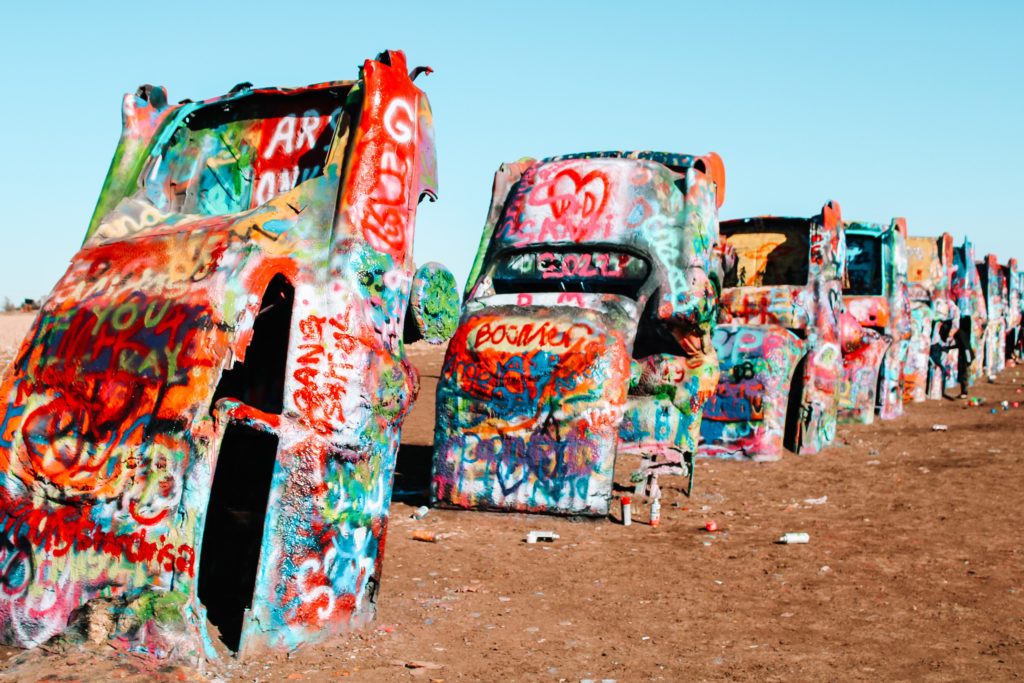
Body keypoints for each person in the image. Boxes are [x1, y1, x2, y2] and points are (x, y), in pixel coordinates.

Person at [953, 314, 974, 398]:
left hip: (966, 356)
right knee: (963, 374)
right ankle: (963, 391)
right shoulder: (962, 333)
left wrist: (968, 360)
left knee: (964, 374)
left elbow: (965, 348)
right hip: (965, 356)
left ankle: (964, 392)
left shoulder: (960, 334)